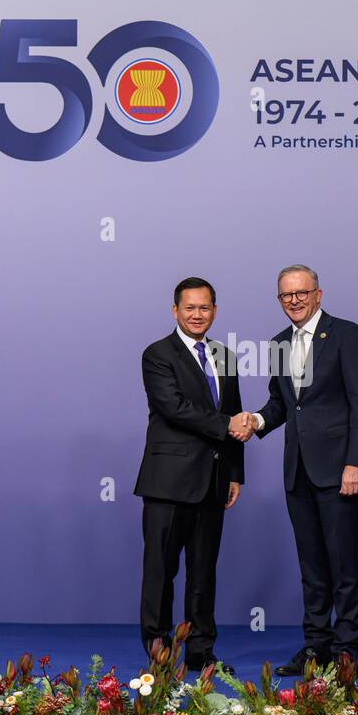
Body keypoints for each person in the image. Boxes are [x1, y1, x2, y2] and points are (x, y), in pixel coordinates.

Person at [234, 265, 358, 676]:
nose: (294, 300)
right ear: (279, 300)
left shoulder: (347, 334)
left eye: (301, 293)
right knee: (311, 566)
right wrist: (256, 421)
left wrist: (355, 462)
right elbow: (282, 405)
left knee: (343, 564)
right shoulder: (279, 343)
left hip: (341, 471)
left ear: (319, 294)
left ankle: (345, 651)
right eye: (286, 295)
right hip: (297, 471)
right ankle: (316, 648)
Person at [134, 277, 251, 674]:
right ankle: (159, 656)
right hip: (168, 482)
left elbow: (233, 410)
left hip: (214, 481)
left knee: (203, 573)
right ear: (175, 311)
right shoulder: (157, 354)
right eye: (190, 308)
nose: (197, 315)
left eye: (205, 308)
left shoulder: (226, 356)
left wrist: (235, 472)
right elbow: (174, 408)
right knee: (160, 572)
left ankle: (201, 654)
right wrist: (228, 424)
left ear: (214, 311)